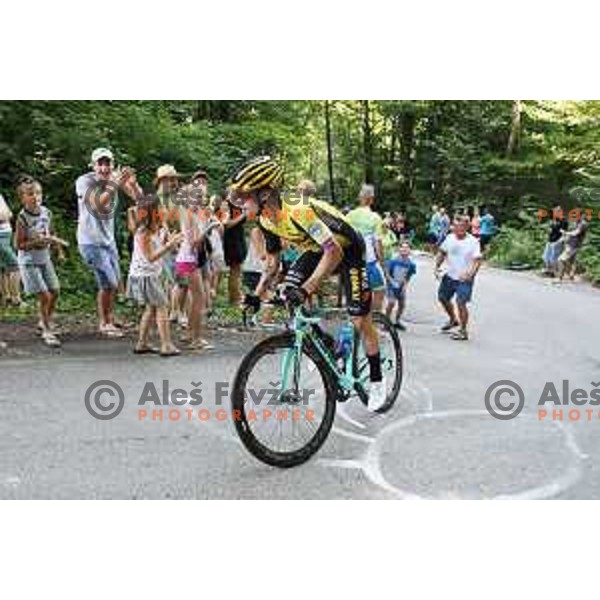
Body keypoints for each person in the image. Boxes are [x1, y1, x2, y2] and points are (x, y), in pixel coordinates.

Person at [232, 156, 387, 411]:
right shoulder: (265, 219)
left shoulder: (297, 209)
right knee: (289, 294)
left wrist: (308, 288)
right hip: (316, 250)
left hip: (347, 250)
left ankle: (377, 379)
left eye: (243, 196)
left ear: (264, 194)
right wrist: (257, 296)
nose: (239, 203)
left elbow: (334, 251)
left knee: (360, 319)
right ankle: (328, 346)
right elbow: (272, 263)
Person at [76, 148, 142, 338]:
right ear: (93, 165)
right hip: (90, 241)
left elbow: (138, 198)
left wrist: (133, 184)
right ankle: (104, 323)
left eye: (108, 163)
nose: (104, 168)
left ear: (113, 164)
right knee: (108, 284)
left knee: (113, 283)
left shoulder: (114, 178)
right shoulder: (84, 181)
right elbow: (97, 204)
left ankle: (110, 317)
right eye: (100, 163)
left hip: (108, 240)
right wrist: (114, 184)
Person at [126, 195, 184, 356]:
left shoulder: (159, 228)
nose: (165, 210)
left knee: (151, 308)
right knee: (162, 307)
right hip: (144, 275)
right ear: (154, 212)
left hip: (151, 274)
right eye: (161, 208)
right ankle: (166, 345)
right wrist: (169, 245)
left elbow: (169, 249)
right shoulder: (142, 232)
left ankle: (142, 343)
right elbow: (150, 257)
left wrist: (174, 243)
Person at [14, 177, 66, 347]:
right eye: (30, 194)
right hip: (29, 262)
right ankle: (46, 330)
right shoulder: (22, 218)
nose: (35, 197)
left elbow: (51, 232)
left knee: (55, 291)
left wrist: (59, 251)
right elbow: (18, 245)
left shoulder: (46, 212)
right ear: (23, 198)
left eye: (38, 193)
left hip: (45, 259)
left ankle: (45, 321)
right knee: (45, 295)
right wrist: (36, 242)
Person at [434, 215, 482, 341]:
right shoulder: (449, 238)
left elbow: (477, 261)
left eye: (462, 226)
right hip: (449, 275)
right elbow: (442, 252)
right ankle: (453, 319)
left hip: (464, 278)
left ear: (467, 227)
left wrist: (470, 274)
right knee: (443, 298)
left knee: (461, 303)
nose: (458, 229)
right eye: (456, 226)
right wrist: (436, 266)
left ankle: (463, 330)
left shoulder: (473, 241)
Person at [346, 184, 386, 311]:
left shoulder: (349, 215)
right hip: (369, 262)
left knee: (357, 295)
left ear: (359, 198)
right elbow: (377, 243)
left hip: (352, 262)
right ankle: (374, 321)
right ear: (372, 199)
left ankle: (356, 324)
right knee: (379, 291)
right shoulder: (375, 217)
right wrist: (383, 264)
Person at [223, 189, 248, 306]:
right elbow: (227, 224)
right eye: (235, 190)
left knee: (237, 269)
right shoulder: (225, 204)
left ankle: (236, 295)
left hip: (238, 237)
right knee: (235, 269)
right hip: (230, 239)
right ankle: (234, 298)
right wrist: (243, 215)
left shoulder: (239, 204)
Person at [384, 241, 417, 331]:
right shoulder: (393, 261)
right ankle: (386, 322)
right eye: (402, 247)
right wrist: (391, 282)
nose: (404, 249)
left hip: (401, 286)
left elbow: (408, 276)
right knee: (391, 302)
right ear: (399, 249)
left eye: (407, 248)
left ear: (410, 251)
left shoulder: (411, 264)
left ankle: (397, 321)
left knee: (402, 304)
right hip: (391, 285)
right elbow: (386, 273)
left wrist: (405, 286)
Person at [0, 192, 23, 307]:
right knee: (15, 266)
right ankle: (16, 299)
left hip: (5, 234)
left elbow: (9, 213)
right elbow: (4, 216)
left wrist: (7, 215)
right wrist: (6, 215)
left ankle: (6, 298)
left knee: (3, 268)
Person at [556, 212, 588, 282]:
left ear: (581, 216)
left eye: (576, 216)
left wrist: (565, 232)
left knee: (561, 260)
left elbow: (575, 233)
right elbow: (571, 234)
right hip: (573, 244)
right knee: (571, 261)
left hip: (573, 245)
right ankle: (571, 276)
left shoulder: (583, 224)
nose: (574, 217)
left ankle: (559, 278)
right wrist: (563, 239)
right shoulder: (577, 223)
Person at [542, 206, 568, 276]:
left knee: (554, 258)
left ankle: (554, 272)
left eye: (556, 211)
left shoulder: (563, 221)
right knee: (546, 256)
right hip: (550, 240)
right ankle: (547, 270)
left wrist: (559, 241)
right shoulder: (554, 219)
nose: (554, 213)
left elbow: (564, 233)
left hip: (557, 241)